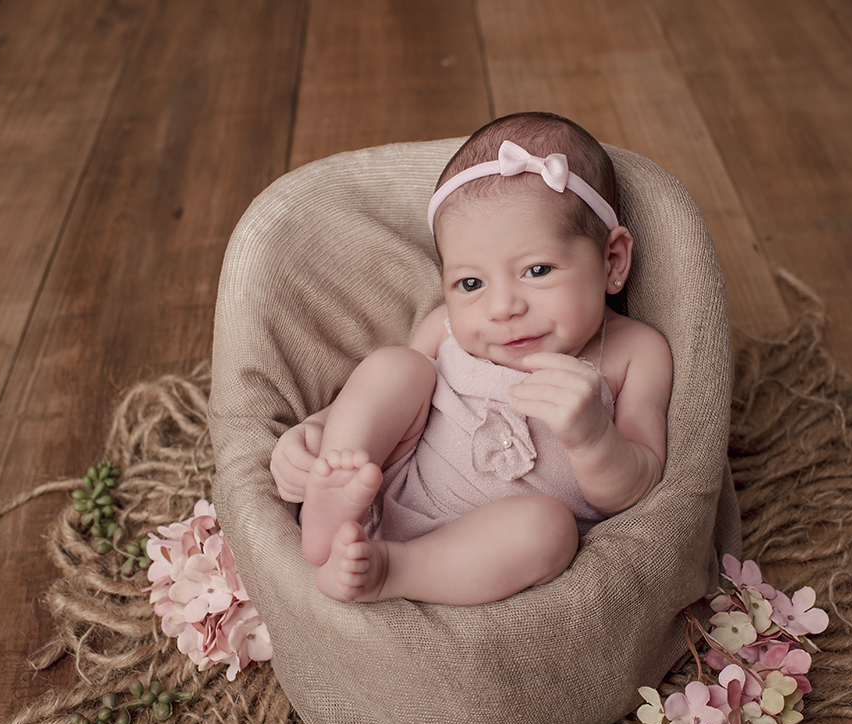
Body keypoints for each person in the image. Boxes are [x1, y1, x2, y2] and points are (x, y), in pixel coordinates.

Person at [270, 112, 673, 605]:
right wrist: (318, 433)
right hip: (385, 491)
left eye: (537, 270)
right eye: (471, 283)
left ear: (612, 261)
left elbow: (640, 485)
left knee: (550, 528)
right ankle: (330, 503)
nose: (502, 308)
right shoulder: (444, 328)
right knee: (397, 367)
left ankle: (391, 570)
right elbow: (379, 402)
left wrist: (593, 438)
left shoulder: (636, 353)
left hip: (491, 552)